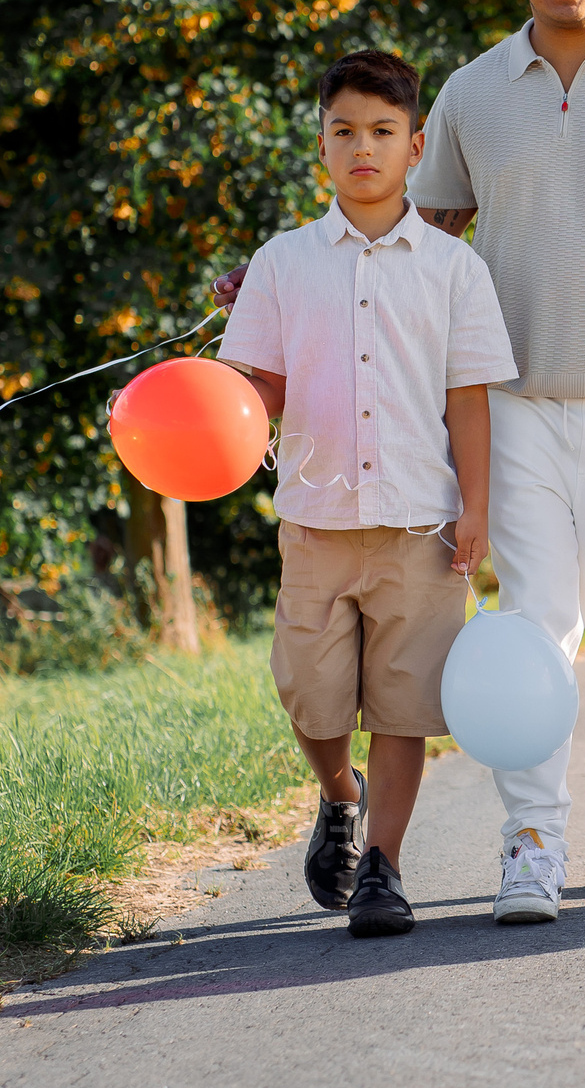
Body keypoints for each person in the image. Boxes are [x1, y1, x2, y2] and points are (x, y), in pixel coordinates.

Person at [217, 50, 519, 937]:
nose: (363, 147)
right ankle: (337, 795)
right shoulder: (280, 263)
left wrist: (479, 505)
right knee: (308, 693)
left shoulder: (454, 269)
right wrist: (190, 414)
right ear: (321, 146)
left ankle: (383, 866)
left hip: (420, 522)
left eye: (382, 132)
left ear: (415, 145)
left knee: (403, 702)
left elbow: (469, 397)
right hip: (314, 520)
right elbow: (255, 391)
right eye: (344, 131)